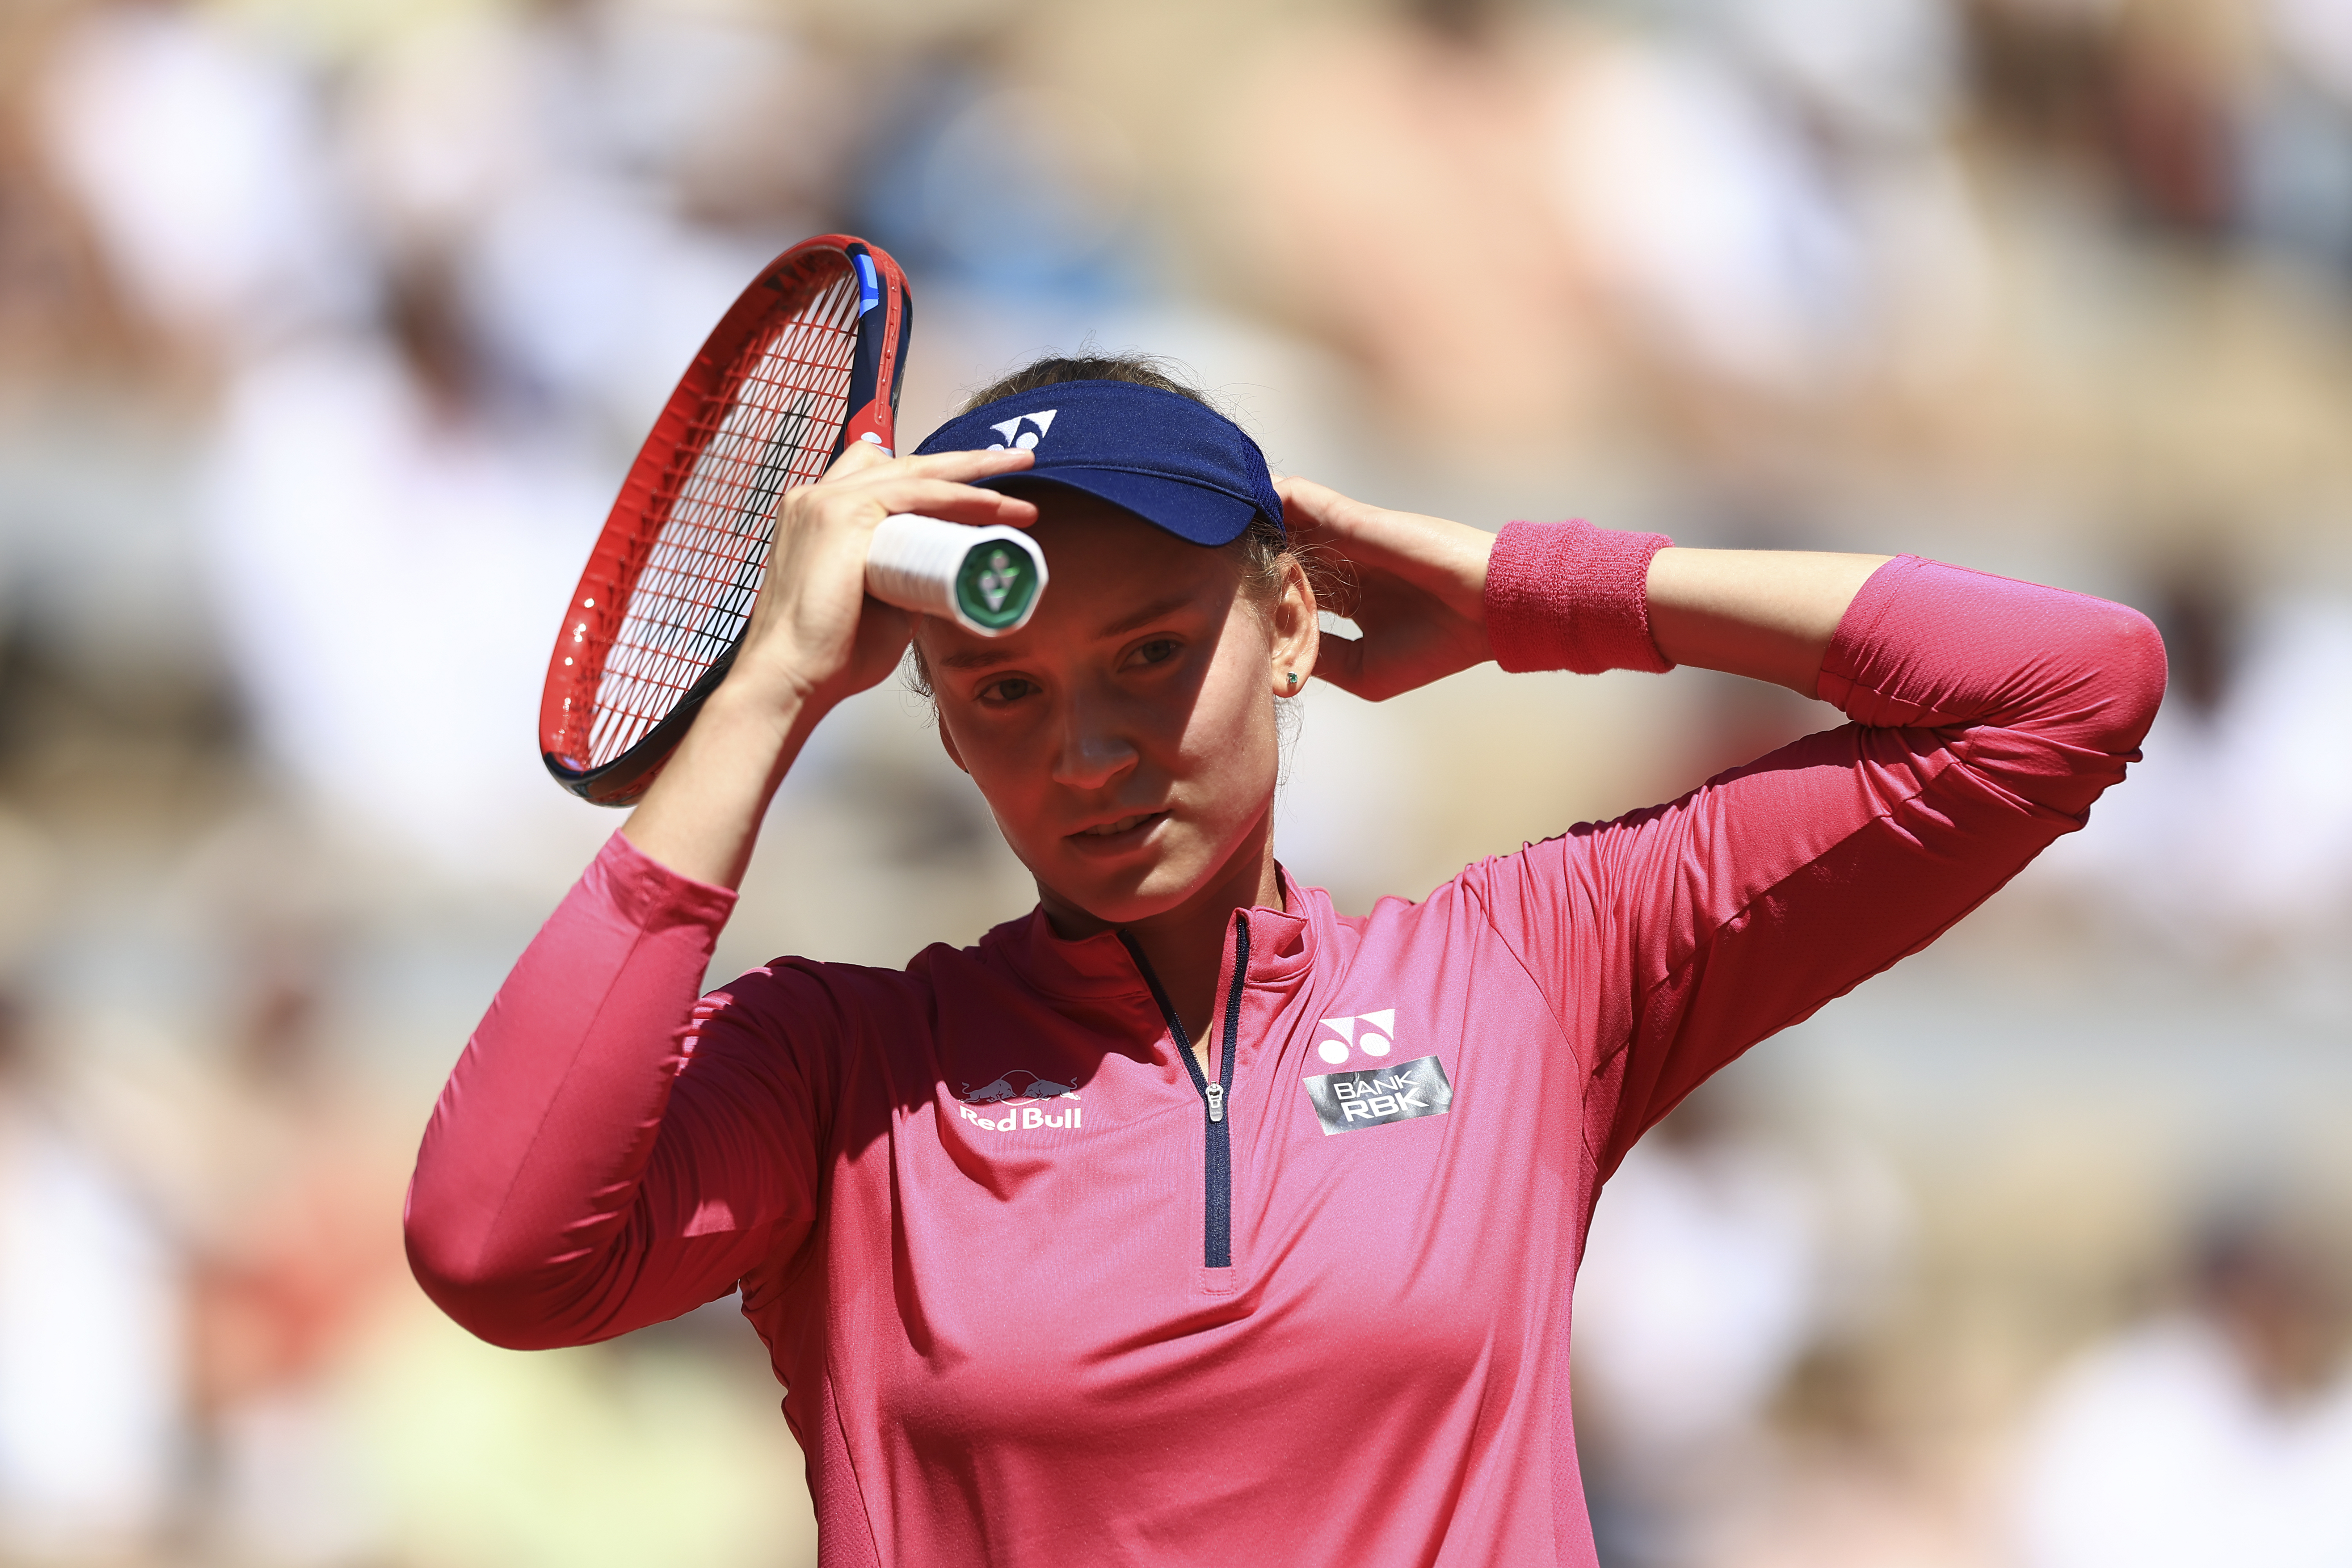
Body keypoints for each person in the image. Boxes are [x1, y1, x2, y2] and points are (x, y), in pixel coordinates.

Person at [405, 356, 2165, 1565]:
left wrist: (1521, 585)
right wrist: (772, 692)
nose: (1087, 748)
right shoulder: (846, 1074)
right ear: (937, 722)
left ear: (1296, 622)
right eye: (1007, 692)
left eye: (1155, 652)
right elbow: (493, 1250)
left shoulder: (1532, 973)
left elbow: (2071, 689)